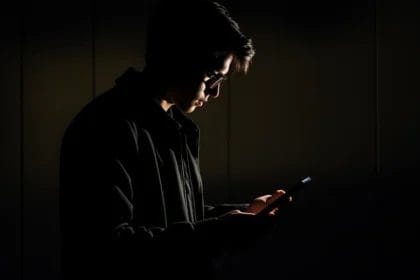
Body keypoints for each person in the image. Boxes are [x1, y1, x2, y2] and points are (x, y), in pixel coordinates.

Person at [59, 0, 285, 279]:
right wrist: (218, 231)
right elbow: (109, 249)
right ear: (179, 58)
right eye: (213, 76)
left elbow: (174, 217)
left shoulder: (173, 129)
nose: (214, 93)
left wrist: (242, 213)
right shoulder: (106, 127)